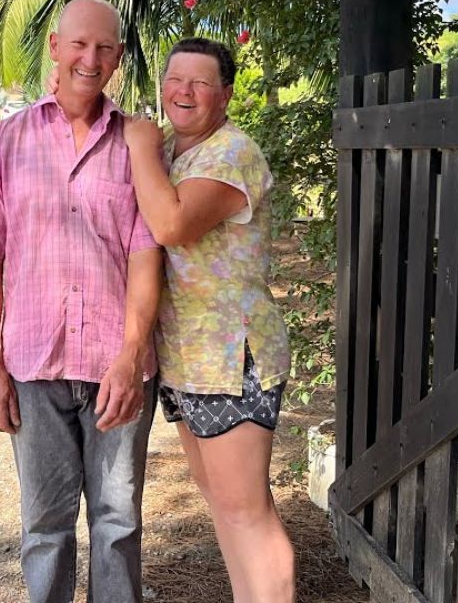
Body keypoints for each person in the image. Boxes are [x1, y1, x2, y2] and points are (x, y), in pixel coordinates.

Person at [0, 0, 163, 603]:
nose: (89, 59)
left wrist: (131, 355)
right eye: (78, 44)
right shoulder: (4, 143)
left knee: (118, 523)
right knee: (44, 526)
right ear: (53, 46)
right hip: (33, 367)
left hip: (115, 370)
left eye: (103, 48)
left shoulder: (137, 145)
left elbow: (146, 256)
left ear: (119, 56)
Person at [123, 37, 295, 603]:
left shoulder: (231, 151)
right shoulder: (176, 151)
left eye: (200, 82)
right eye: (175, 79)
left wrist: (140, 142)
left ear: (225, 93)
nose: (184, 91)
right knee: (223, 503)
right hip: (189, 358)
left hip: (231, 356)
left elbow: (171, 224)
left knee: (247, 511)